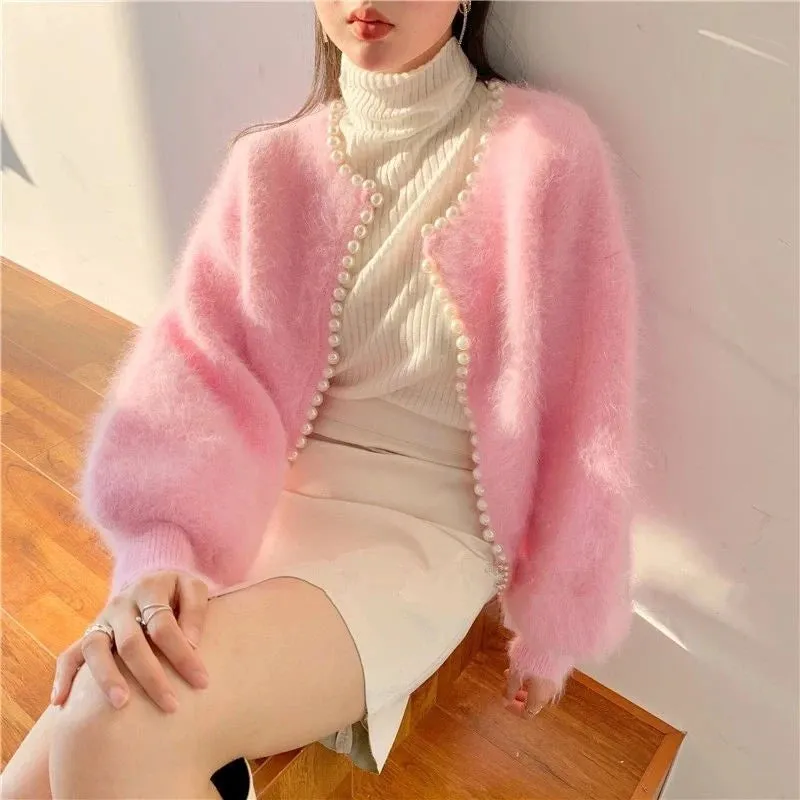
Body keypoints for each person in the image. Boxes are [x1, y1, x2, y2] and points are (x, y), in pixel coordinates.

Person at [1, 1, 636, 797]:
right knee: (38, 774)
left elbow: (589, 411)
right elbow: (193, 380)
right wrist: (157, 557)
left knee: (108, 726)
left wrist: (554, 624)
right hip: (260, 516)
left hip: (421, 538)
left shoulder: (545, 154)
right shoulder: (269, 168)